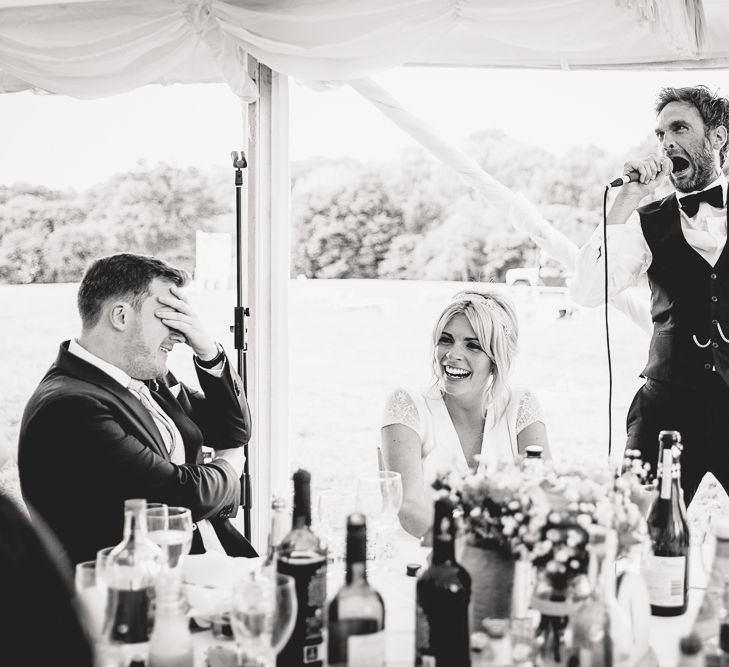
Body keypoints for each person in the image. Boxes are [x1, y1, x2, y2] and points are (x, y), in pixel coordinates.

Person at [18, 252, 256, 564]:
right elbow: (177, 496)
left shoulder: (145, 375)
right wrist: (231, 467)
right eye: (167, 315)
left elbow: (232, 430)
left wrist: (208, 352)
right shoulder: (69, 407)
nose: (177, 332)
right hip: (133, 586)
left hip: (209, 557)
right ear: (120, 316)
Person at [571, 85, 729, 503]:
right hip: (667, 407)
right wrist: (628, 199)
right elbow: (587, 290)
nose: (667, 142)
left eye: (679, 128)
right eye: (660, 134)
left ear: (717, 138)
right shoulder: (644, 221)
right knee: (634, 531)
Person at [381, 289, 549, 538]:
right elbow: (409, 507)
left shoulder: (520, 405)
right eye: (446, 340)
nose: (452, 355)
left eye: (472, 345)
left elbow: (545, 499)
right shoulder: (407, 404)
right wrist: (475, 553)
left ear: (496, 359)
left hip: (503, 563)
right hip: (422, 563)